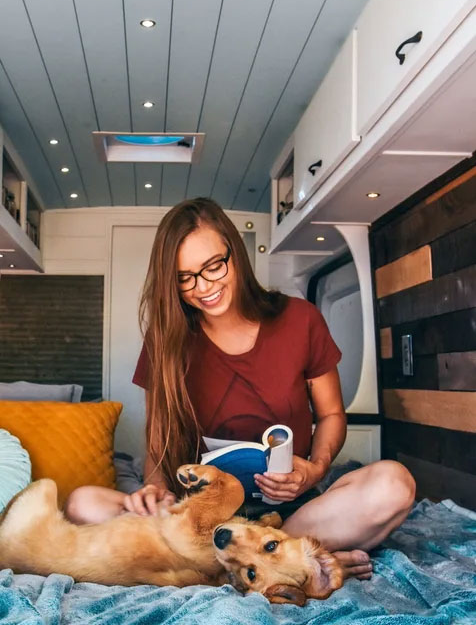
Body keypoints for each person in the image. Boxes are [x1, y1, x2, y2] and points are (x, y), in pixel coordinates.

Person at [64, 198, 415, 579]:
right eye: (185, 278)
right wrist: (155, 489)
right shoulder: (165, 340)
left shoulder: (301, 319)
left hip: (290, 511)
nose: (203, 287)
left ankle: (252, 557)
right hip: (202, 518)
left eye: (213, 266)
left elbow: (331, 414)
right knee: (83, 504)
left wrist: (314, 471)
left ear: (235, 253)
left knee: (394, 485)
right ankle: (289, 560)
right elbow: (157, 441)